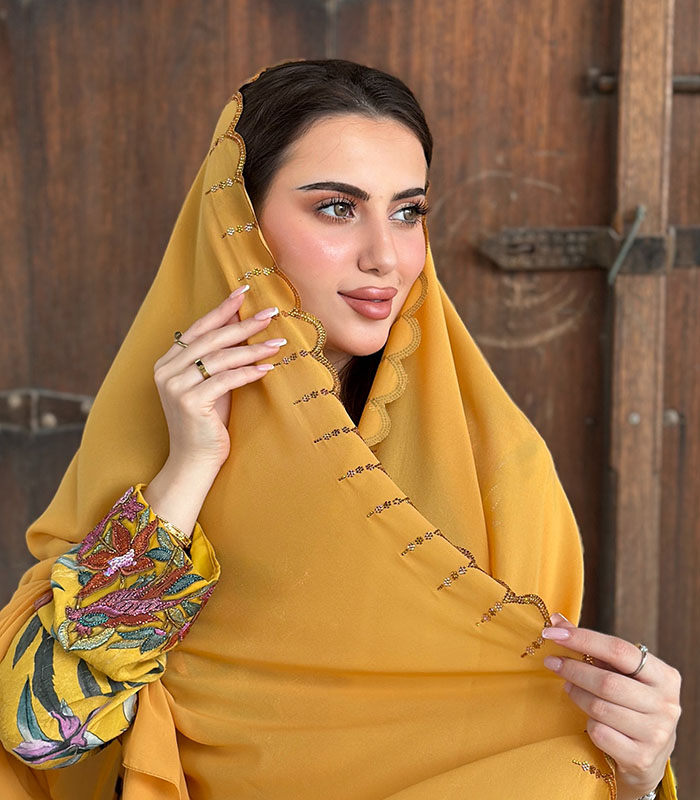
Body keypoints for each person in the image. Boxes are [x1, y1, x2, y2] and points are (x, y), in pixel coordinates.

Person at [0, 58, 681, 800]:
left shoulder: (500, 466)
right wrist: (189, 468)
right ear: (239, 227)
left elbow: (535, 744)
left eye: (408, 212)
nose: (385, 257)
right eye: (336, 208)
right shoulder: (153, 446)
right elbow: (43, 731)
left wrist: (637, 774)